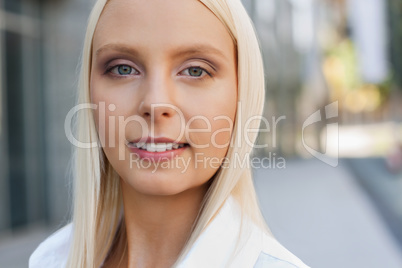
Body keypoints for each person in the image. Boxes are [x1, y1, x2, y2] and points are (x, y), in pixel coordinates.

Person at [30, 0, 309, 267]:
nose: (155, 103)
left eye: (195, 70)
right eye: (123, 69)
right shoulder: (49, 260)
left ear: (243, 92)